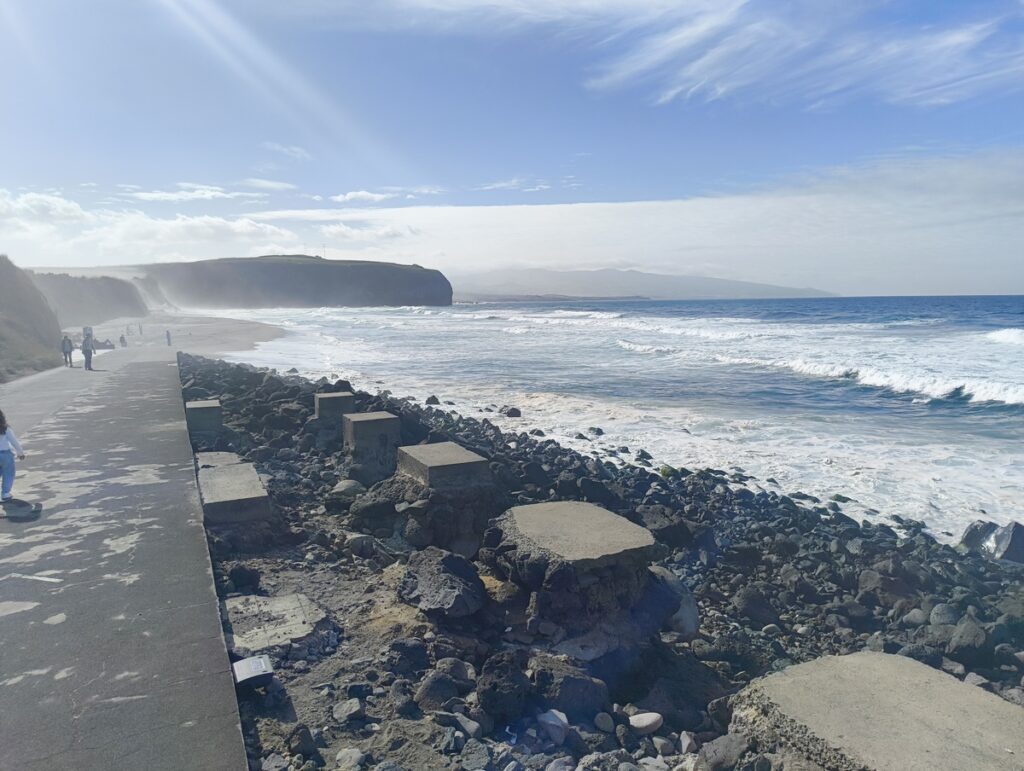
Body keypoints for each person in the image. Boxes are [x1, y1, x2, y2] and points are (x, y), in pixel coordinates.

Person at [0, 409, 26, 503]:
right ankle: (5, 494)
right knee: (8, 473)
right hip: (5, 454)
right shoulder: (5, 428)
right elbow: (14, 441)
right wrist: (20, 452)